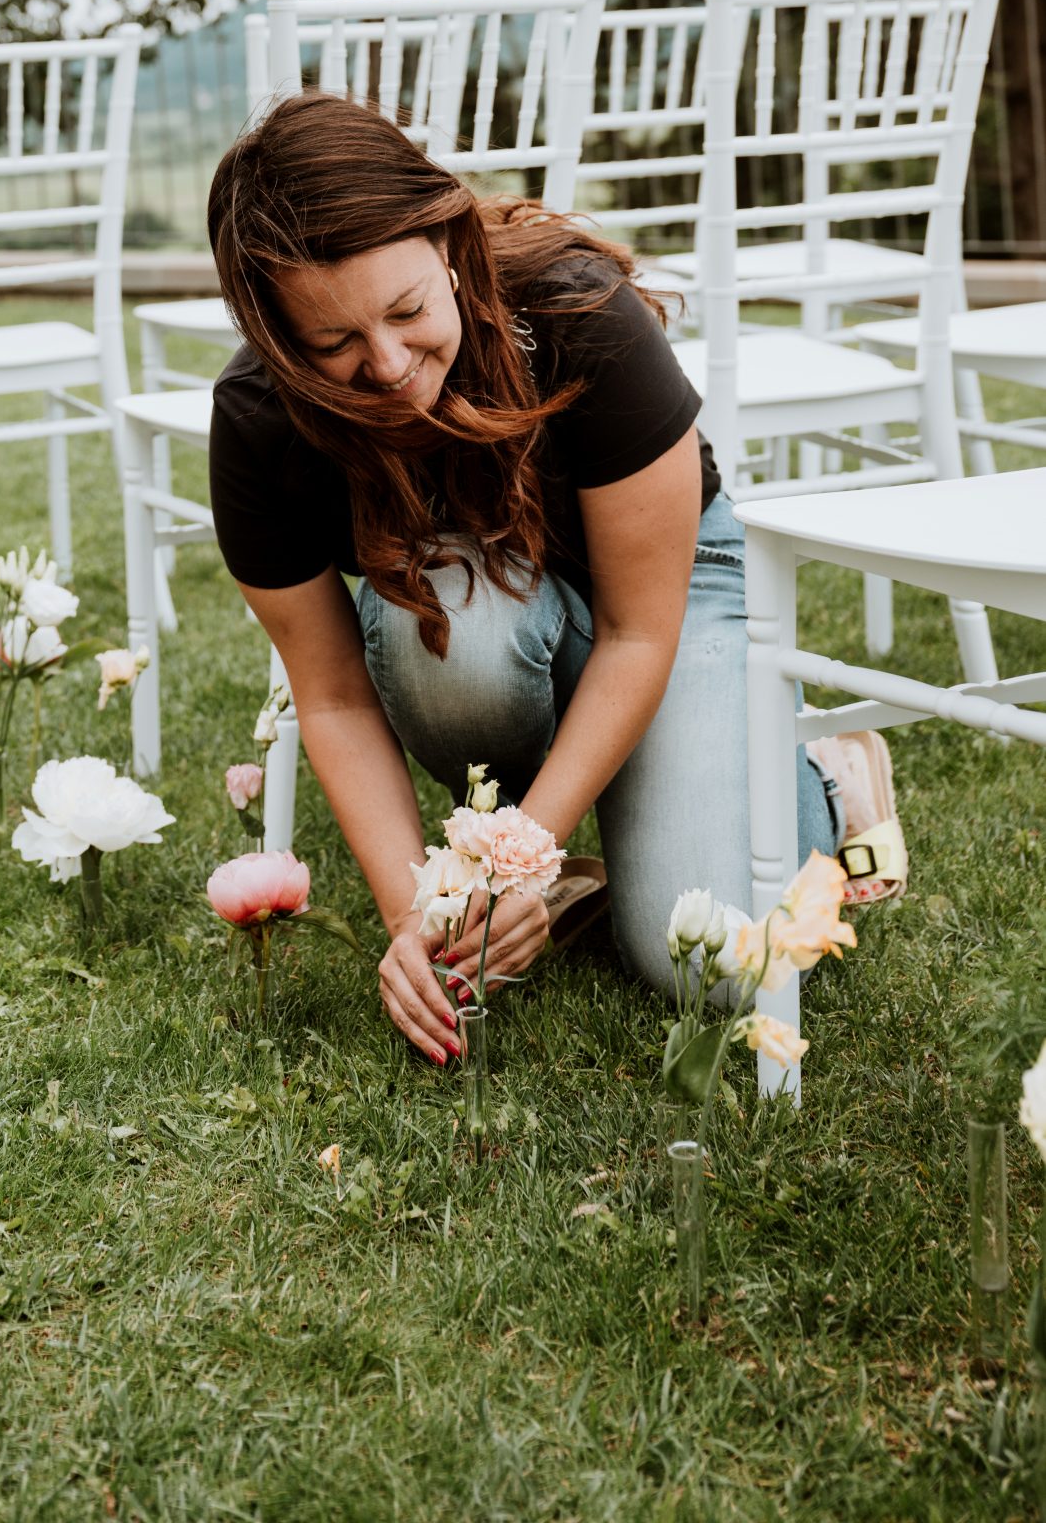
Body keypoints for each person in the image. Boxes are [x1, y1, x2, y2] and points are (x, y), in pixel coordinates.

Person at [206, 91, 897, 1068]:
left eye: (408, 311)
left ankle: (828, 776)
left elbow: (637, 632)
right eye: (334, 346)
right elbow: (331, 695)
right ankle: (557, 845)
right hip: (487, 608)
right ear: (275, 336)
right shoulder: (259, 421)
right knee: (447, 624)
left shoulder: (576, 310)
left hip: (665, 598)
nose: (391, 365)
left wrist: (519, 855)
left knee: (719, 966)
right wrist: (420, 908)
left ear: (446, 240)